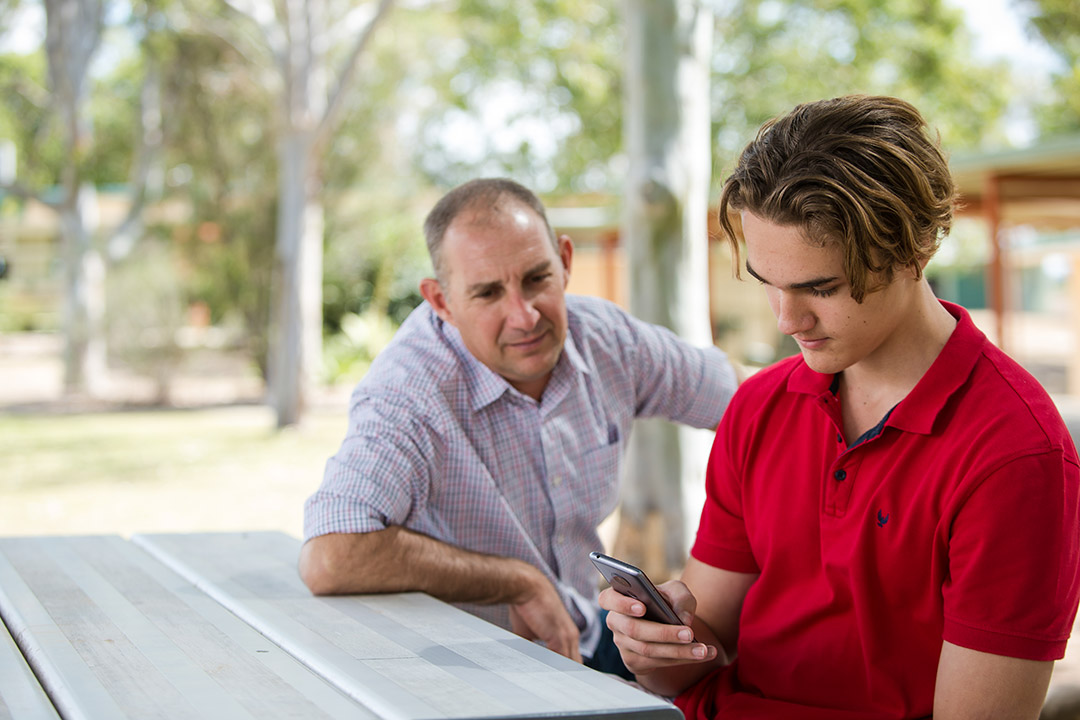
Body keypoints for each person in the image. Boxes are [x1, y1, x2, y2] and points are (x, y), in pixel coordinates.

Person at [600, 95, 1080, 718]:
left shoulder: (1015, 455)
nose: (787, 320)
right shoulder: (759, 406)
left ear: (915, 252)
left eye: (820, 288)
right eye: (769, 283)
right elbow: (697, 658)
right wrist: (655, 648)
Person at [300, 177, 740, 676]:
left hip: (581, 635)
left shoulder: (608, 340)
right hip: (460, 669)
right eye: (488, 293)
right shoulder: (410, 392)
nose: (524, 316)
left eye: (536, 279)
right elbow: (331, 555)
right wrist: (517, 581)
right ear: (441, 301)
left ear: (565, 261)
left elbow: (751, 400)